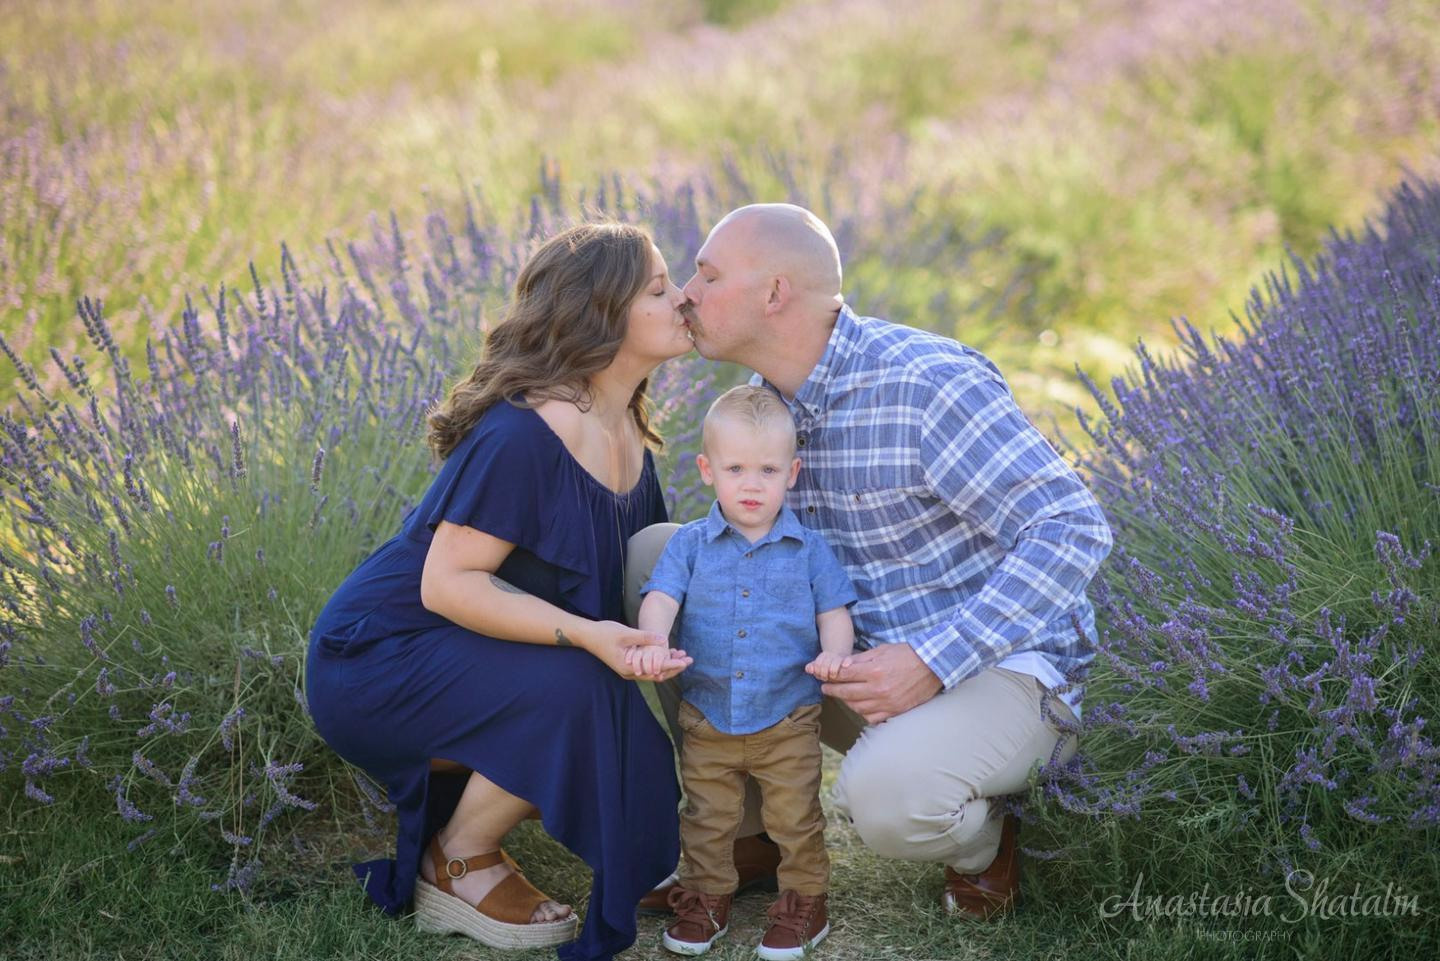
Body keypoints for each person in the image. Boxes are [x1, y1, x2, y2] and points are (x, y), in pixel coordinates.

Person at [630, 203, 1113, 920]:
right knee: (656, 557)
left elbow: (1072, 526)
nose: (687, 293)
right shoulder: (765, 408)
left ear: (775, 294)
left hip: (1006, 671)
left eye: (707, 273)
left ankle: (990, 840)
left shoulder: (924, 384)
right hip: (863, 668)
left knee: (883, 797)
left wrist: (933, 658)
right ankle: (747, 835)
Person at [305, 222, 696, 961]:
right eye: (657, 288)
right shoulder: (525, 434)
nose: (681, 299)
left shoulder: (632, 441)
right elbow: (447, 584)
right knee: (582, 684)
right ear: (600, 312)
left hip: (471, 653)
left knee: (601, 689)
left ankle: (652, 838)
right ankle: (456, 857)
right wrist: (587, 636)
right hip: (380, 658)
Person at [627, 385, 857, 959]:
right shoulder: (689, 545)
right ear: (707, 470)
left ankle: (805, 901)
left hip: (789, 714)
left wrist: (836, 655)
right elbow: (660, 598)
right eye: (735, 468)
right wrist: (653, 638)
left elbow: (834, 610)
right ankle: (706, 898)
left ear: (792, 472)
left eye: (768, 469)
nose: (751, 484)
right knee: (706, 817)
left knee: (795, 817)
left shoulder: (809, 549)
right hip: (709, 714)